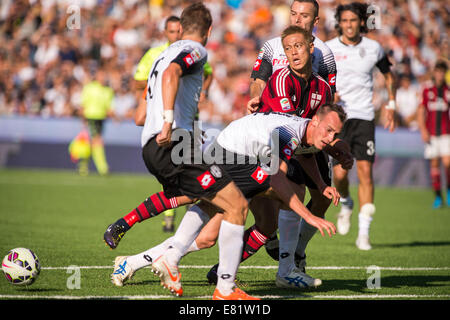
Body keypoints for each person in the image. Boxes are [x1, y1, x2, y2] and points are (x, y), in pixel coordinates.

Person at [105, 2, 257, 300]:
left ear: (182, 25)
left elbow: (158, 87)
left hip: (154, 147)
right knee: (237, 205)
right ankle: (222, 288)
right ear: (209, 30)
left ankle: (150, 259)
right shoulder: (195, 50)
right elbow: (173, 74)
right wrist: (167, 122)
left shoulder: (160, 54)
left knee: (206, 200)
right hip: (174, 142)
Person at [111, 104, 345, 296]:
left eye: (336, 134)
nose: (331, 138)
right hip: (233, 153)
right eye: (328, 130)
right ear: (315, 121)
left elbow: (306, 155)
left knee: (249, 226)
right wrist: (309, 216)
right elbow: (276, 178)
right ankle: (243, 279)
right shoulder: (288, 133)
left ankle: (133, 262)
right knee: (211, 210)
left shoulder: (307, 133)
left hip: (244, 157)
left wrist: (322, 185)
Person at [203, 25, 352, 288]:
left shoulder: (323, 85)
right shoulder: (282, 78)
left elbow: (313, 132)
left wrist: (336, 153)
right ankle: (159, 254)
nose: (293, 52)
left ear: (311, 45)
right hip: (262, 149)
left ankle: (282, 265)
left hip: (296, 147)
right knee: (209, 230)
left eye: (304, 15)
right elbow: (292, 129)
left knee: (275, 217)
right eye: (289, 48)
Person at [247, 0, 341, 277]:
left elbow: (326, 97)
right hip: (278, 129)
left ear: (316, 21)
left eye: (304, 15)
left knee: (322, 198)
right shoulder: (272, 45)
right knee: (279, 190)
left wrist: (330, 139)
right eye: (294, 14)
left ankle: (296, 249)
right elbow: (259, 77)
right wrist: (255, 95)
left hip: (308, 134)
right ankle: (286, 258)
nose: (298, 19)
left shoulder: (324, 54)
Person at [326, 2, 397, 250]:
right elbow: (321, 79)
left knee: (366, 173)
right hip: (339, 119)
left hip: (365, 117)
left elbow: (388, 75)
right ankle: (345, 202)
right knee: (339, 174)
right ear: (339, 23)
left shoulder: (373, 48)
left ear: (361, 23)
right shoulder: (330, 49)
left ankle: (364, 232)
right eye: (344, 21)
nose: (349, 25)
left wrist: (392, 105)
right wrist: (328, 96)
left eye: (353, 20)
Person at [417, 60, 449, 209]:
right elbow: (421, 110)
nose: (440, 75)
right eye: (438, 71)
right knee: (434, 164)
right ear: (434, 72)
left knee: (447, 163)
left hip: (445, 133)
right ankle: (438, 196)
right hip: (431, 133)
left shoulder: (448, 90)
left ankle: (448, 191)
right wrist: (423, 129)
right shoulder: (427, 90)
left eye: (443, 72)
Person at [80, 68, 114, 176]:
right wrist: (83, 118)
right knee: (97, 140)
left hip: (101, 118)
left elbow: (108, 108)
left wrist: (116, 117)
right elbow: (83, 104)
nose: (103, 78)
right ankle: (103, 168)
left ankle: (83, 166)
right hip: (91, 116)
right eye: (101, 75)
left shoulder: (108, 91)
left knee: (93, 143)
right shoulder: (89, 88)